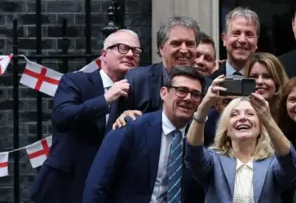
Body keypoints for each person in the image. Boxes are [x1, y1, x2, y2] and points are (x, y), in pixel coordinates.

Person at [30, 30, 141, 203]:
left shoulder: (137, 93)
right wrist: (106, 99)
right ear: (104, 54)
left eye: (136, 51)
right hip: (66, 186)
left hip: (110, 188)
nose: (130, 54)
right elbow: (62, 116)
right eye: (122, 48)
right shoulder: (75, 81)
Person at [83, 66, 206, 203]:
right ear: (164, 93)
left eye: (195, 94)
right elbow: (97, 186)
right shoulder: (130, 128)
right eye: (181, 90)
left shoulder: (198, 139)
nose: (188, 98)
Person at [184, 75, 296, 202]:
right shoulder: (214, 161)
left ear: (261, 128)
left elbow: (291, 165)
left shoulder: (272, 164)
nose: (242, 118)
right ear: (226, 130)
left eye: (250, 114)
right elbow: (193, 153)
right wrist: (204, 106)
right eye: (234, 114)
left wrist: (267, 119)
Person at [107, 16, 205, 130]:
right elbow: (113, 130)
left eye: (189, 44)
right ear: (161, 48)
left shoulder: (207, 87)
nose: (184, 50)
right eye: (176, 43)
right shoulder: (136, 80)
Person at [203, 52, 289, 145]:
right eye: (254, 77)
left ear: (277, 80)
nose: (259, 81)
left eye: (267, 76)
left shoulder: (289, 113)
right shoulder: (235, 114)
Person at [210, 6, 260, 78]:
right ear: (224, 39)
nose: (242, 40)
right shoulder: (208, 83)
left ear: (256, 41)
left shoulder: (263, 85)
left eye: (249, 34)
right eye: (236, 33)